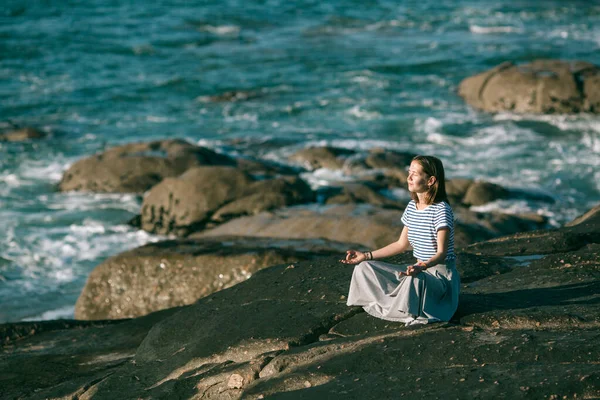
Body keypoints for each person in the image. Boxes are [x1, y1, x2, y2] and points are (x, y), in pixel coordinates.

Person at [341, 155, 459, 326]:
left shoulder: (441, 210)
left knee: (415, 280)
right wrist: (365, 256)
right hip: (416, 271)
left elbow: (441, 253)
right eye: (409, 172)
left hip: (439, 279)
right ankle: (403, 304)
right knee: (364, 268)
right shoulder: (412, 206)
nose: (409, 178)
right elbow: (400, 244)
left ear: (431, 180)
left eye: (415, 174)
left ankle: (414, 309)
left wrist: (421, 266)